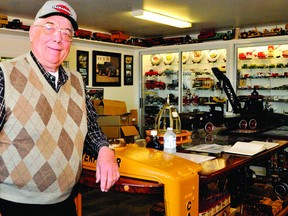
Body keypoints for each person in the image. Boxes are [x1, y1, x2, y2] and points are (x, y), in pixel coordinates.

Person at [0, 1, 120, 215]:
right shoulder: (5, 75)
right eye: (49, 27)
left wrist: (105, 150)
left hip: (64, 201)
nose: (58, 37)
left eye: (66, 32)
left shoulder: (77, 81)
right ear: (32, 34)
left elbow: (91, 129)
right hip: (13, 204)